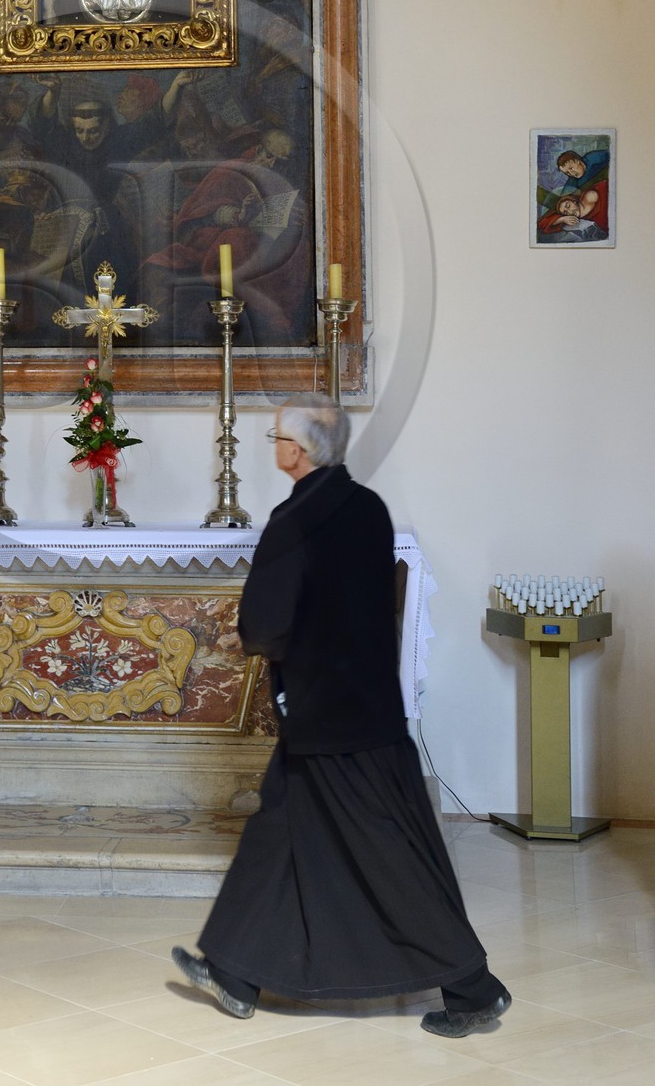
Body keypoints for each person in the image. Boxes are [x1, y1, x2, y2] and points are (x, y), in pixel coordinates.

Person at [172, 395, 510, 1040]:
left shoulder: (293, 517)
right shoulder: (367, 507)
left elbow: (264, 623)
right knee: (280, 827)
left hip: (325, 716)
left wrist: (272, 650)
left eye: (276, 438)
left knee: (382, 846)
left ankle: (475, 987)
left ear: (296, 452)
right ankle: (234, 972)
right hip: (367, 704)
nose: (274, 446)